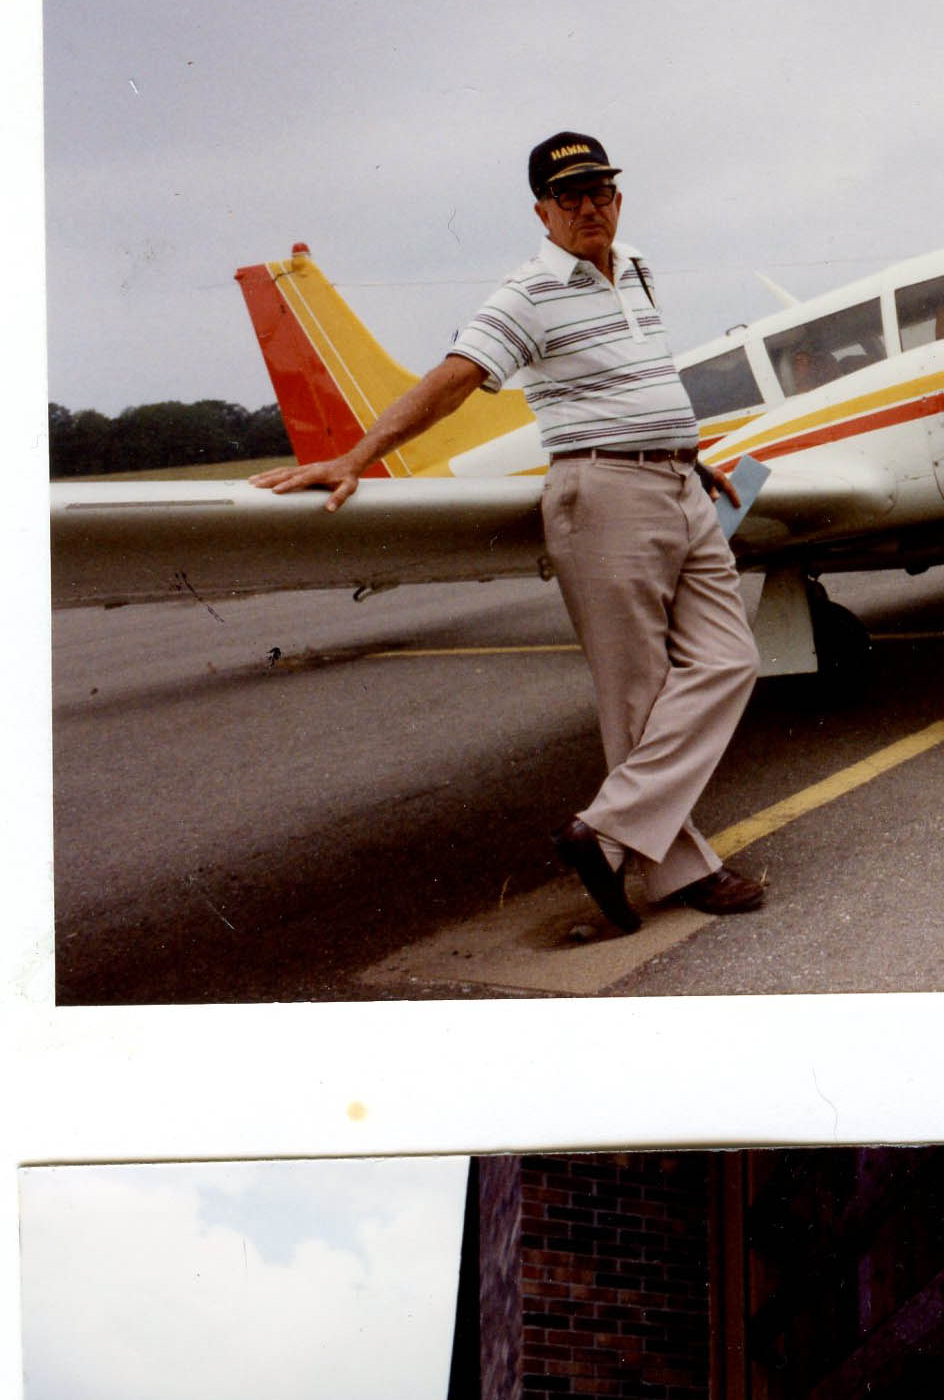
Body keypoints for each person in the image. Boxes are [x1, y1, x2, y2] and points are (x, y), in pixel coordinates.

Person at [254, 129, 764, 936]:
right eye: (569, 196)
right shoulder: (527, 293)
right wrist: (356, 456)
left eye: (599, 190)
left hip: (678, 481)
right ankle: (678, 870)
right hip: (604, 491)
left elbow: (632, 381)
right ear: (542, 212)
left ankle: (603, 831)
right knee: (635, 691)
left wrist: (684, 452)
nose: (589, 206)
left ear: (618, 197)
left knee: (731, 658)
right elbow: (455, 378)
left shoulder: (636, 267)